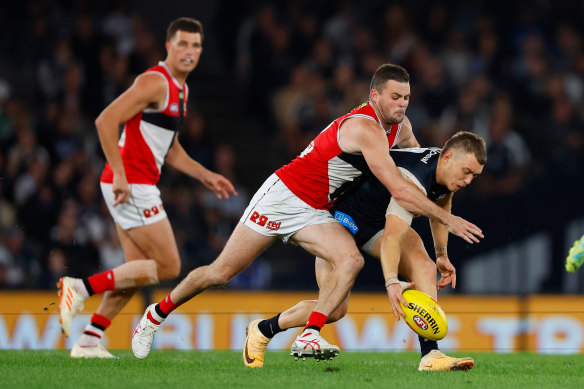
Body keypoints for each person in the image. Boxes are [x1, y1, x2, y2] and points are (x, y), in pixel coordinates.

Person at [130, 64, 483, 360]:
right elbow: (400, 188)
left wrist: (439, 228)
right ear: (374, 96)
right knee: (219, 273)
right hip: (284, 196)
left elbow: (418, 170)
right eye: (395, 97)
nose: (402, 105)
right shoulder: (364, 127)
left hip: (318, 210)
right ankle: (155, 314)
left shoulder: (400, 129)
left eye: (406, 98)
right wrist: (447, 219)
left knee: (350, 263)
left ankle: (308, 335)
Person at [57, 17, 237, 358]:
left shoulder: (181, 89)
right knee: (169, 266)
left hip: (134, 183)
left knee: (135, 272)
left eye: (196, 45)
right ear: (168, 47)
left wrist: (204, 174)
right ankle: (78, 288)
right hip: (131, 185)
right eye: (182, 44)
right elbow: (106, 120)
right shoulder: (155, 81)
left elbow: (168, 148)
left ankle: (88, 341)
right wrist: (122, 174)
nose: (189, 51)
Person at [243, 131, 486, 371]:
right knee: (335, 309)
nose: (468, 181)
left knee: (425, 266)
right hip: (341, 221)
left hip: (377, 222)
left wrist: (441, 254)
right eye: (467, 172)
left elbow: (442, 203)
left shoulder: (445, 172)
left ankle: (431, 354)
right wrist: (391, 281)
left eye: (474, 175)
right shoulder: (413, 178)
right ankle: (263, 329)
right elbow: (392, 237)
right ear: (448, 157)